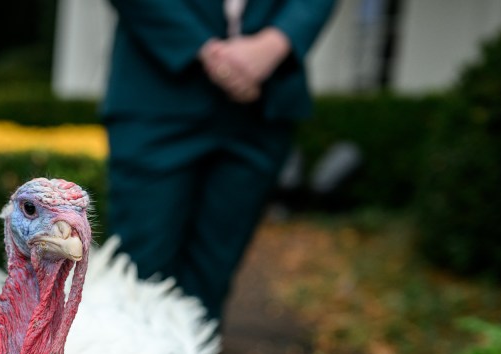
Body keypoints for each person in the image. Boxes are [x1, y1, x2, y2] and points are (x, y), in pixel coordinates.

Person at [102, 0, 337, 323]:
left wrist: (274, 43)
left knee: (211, 277)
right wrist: (207, 51)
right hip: (157, 95)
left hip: (264, 105)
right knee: (141, 271)